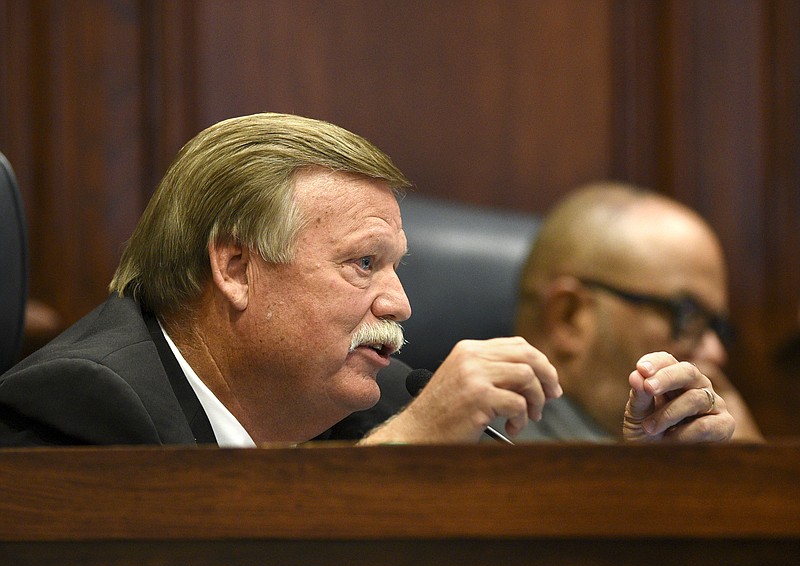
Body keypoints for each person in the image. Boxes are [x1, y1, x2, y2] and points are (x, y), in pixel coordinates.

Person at [0, 114, 734, 446]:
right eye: (363, 263)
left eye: (396, 266)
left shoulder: (376, 397)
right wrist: (405, 451)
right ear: (235, 267)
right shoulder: (79, 412)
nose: (402, 301)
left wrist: (640, 478)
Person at [511, 182, 763, 442]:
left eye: (716, 327)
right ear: (569, 317)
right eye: (688, 316)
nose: (715, 352)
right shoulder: (492, 459)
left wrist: (745, 469)